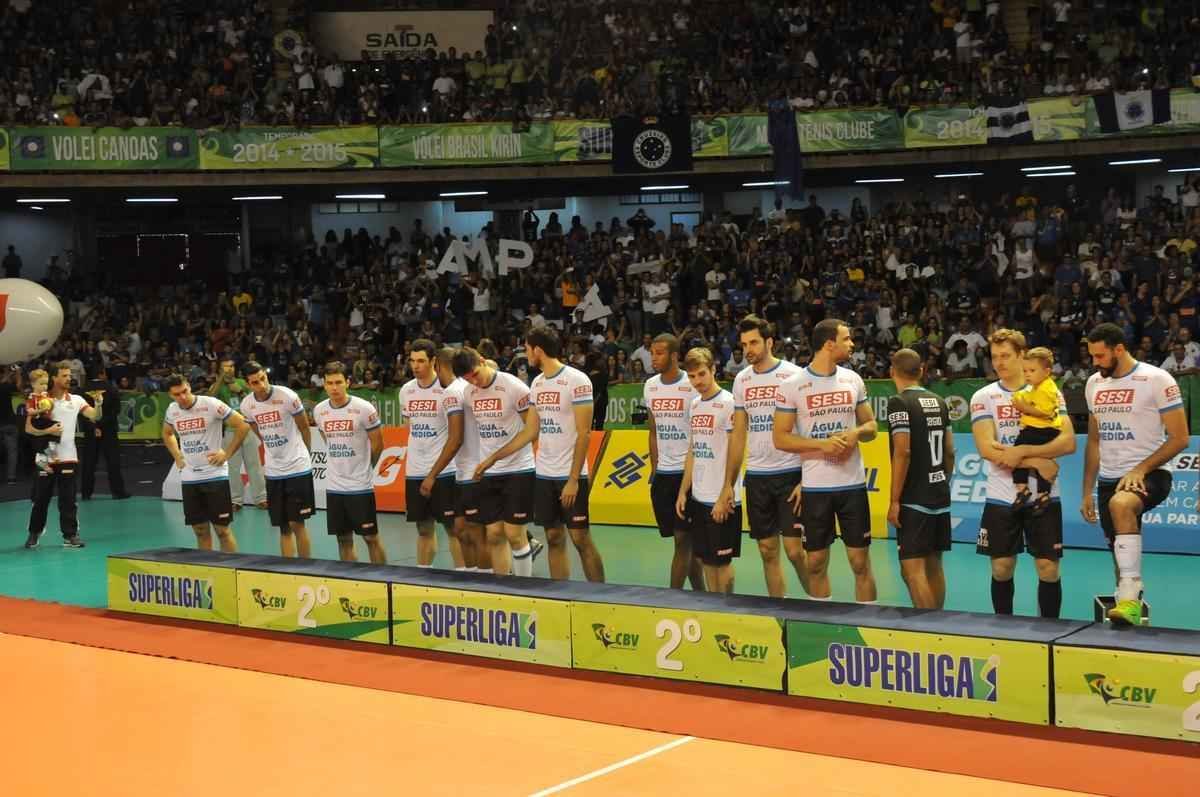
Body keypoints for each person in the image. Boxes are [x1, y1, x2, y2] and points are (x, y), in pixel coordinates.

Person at [1082, 323, 1189, 626]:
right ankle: (1127, 605)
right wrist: (1087, 490)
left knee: (1122, 504)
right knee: (1119, 554)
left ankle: (1131, 595)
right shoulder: (1093, 384)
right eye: (1092, 356)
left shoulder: (1157, 379)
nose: (1095, 362)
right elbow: (1094, 441)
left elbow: (1180, 438)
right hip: (1108, 478)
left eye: (1100, 356)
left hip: (1151, 472)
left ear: (1119, 349)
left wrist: (1141, 469)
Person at [972, 329, 1076, 619]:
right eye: (995, 357)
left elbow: (1068, 442)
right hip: (1001, 494)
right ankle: (1004, 630)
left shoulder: (1050, 392)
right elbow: (987, 448)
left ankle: (1049, 632)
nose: (999, 362)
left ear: (1022, 355)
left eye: (1006, 356)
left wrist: (1022, 453)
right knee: (1001, 568)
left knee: (1048, 568)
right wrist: (1039, 462)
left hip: (1044, 495)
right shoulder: (984, 397)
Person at [773, 318, 878, 602]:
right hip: (816, 488)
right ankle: (821, 621)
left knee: (860, 562)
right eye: (847, 339)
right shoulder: (792, 385)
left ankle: (869, 624)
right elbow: (780, 438)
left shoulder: (853, 379)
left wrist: (855, 434)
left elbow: (872, 427)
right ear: (830, 344)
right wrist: (823, 444)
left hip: (852, 485)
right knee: (816, 563)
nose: (852, 344)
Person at [730, 315, 809, 598]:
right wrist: (729, 483)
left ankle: (818, 603)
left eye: (753, 343)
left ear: (770, 342)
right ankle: (780, 612)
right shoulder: (741, 380)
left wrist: (806, 478)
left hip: (791, 473)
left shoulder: (795, 375)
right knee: (767, 550)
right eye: (744, 344)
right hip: (757, 476)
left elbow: (808, 428)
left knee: (795, 551)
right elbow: (739, 433)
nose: (748, 350)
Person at [526, 326, 605, 581]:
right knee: (553, 536)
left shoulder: (577, 380)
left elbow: (584, 434)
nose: (526, 354)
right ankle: (559, 593)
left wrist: (573, 479)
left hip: (571, 475)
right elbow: (531, 430)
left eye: (527, 349)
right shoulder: (537, 383)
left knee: (580, 537)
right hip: (544, 473)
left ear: (538, 350)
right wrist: (496, 456)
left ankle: (600, 595)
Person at [457, 347, 538, 577]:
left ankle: (523, 587)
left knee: (514, 535)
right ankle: (502, 587)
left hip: (518, 469)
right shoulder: (469, 393)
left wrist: (495, 457)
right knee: (493, 534)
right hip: (489, 472)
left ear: (483, 361)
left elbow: (532, 431)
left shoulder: (514, 387)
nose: (474, 381)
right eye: (467, 379)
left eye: (475, 374)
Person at [886, 348, 955, 609]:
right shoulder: (940, 401)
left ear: (892, 371)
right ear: (922, 371)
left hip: (914, 498)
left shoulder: (899, 402)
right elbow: (950, 451)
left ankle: (928, 628)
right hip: (939, 493)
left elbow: (902, 451)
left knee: (912, 571)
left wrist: (894, 500)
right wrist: (943, 481)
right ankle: (939, 624)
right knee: (934, 565)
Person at [675, 347, 742, 593]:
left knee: (722, 563)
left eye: (702, 374)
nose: (697, 381)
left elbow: (735, 451)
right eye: (692, 376)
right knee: (705, 560)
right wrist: (683, 491)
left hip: (722, 498)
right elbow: (694, 449)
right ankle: (714, 609)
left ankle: (727, 609)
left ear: (714, 370)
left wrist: (726, 493)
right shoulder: (694, 405)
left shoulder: (729, 403)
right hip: (699, 497)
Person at [162, 373, 251, 553]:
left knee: (222, 531)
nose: (183, 397)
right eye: (177, 394)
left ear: (189, 386)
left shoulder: (210, 404)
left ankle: (230, 567)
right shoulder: (172, 410)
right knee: (200, 530)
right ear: (170, 395)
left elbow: (243, 424)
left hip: (215, 475)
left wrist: (226, 453)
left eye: (185, 391)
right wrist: (177, 455)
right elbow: (167, 433)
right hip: (189, 477)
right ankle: (206, 566)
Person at [644, 333, 705, 591]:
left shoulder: (691, 385)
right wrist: (654, 468)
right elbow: (653, 431)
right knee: (684, 541)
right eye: (652, 353)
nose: (653, 358)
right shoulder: (650, 386)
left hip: (687, 474)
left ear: (674, 356)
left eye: (659, 353)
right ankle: (701, 595)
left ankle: (673, 598)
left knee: (683, 540)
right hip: (664, 475)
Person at [314, 362, 387, 564]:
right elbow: (327, 439)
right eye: (330, 383)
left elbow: (378, 444)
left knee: (370, 537)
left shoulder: (364, 408)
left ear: (347, 382)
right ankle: (350, 579)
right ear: (324, 384)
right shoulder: (319, 410)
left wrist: (366, 468)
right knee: (343, 539)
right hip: (334, 486)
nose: (334, 388)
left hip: (360, 486)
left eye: (338, 382)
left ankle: (382, 577)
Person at [239, 361, 315, 558]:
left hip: (297, 467)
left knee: (297, 524)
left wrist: (305, 454)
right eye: (255, 382)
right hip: (273, 471)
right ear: (248, 384)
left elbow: (304, 428)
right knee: (283, 527)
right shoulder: (246, 405)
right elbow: (257, 430)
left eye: (263, 378)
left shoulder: (287, 396)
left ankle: (305, 569)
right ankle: (287, 570)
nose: (261, 385)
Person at [398, 339, 463, 569]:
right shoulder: (406, 390)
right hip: (416, 469)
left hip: (446, 470)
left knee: (453, 528)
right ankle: (423, 575)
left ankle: (463, 576)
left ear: (433, 361)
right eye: (412, 361)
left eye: (421, 361)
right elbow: (409, 426)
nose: (415, 366)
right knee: (424, 528)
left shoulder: (449, 389)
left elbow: (457, 433)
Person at [25, 362, 104, 549]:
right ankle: (34, 533)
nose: (69, 378)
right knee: (40, 498)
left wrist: (99, 403)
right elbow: (28, 428)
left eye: (70, 375)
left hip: (68, 456)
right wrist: (48, 431)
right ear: (54, 378)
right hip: (44, 457)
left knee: (68, 499)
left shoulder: (76, 400)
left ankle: (70, 535)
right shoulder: (41, 399)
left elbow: (95, 416)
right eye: (64, 375)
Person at [436, 347, 481, 571]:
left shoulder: (453, 392)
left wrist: (432, 474)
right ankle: (472, 577)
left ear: (437, 366)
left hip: (472, 470)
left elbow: (455, 439)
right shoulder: (469, 386)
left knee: (476, 532)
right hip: (470, 468)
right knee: (462, 529)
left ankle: (486, 579)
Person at [1009, 347, 1063, 514]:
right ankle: (1043, 494)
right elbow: (1030, 397)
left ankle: (1022, 489)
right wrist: (1020, 398)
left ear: (1047, 371)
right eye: (1025, 371)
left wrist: (1023, 407)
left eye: (1032, 371)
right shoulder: (1038, 386)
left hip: (1038, 430)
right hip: (1046, 431)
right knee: (1042, 461)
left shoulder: (1047, 389)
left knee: (1015, 455)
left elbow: (1044, 412)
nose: (1027, 374)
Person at [208, 357, 267, 511]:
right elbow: (209, 398)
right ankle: (235, 500)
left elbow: (255, 399)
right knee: (232, 468)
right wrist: (220, 379)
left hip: (248, 429)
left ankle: (261, 498)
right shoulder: (218, 386)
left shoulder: (242, 382)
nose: (229, 369)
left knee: (254, 465)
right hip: (230, 431)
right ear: (220, 370)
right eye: (225, 367)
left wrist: (239, 391)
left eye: (231, 366)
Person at [80, 366, 129, 500]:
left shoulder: (82, 390)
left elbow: (80, 413)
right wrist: (102, 425)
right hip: (109, 430)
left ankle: (86, 493)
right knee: (113, 461)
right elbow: (116, 410)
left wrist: (94, 426)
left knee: (89, 462)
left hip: (90, 430)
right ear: (102, 374)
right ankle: (118, 492)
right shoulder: (111, 389)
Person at [0, 367, 18, 485]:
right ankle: (11, 478)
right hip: (8, 424)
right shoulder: (6, 387)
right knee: (12, 451)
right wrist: (17, 373)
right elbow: (19, 386)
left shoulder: (5, 385)